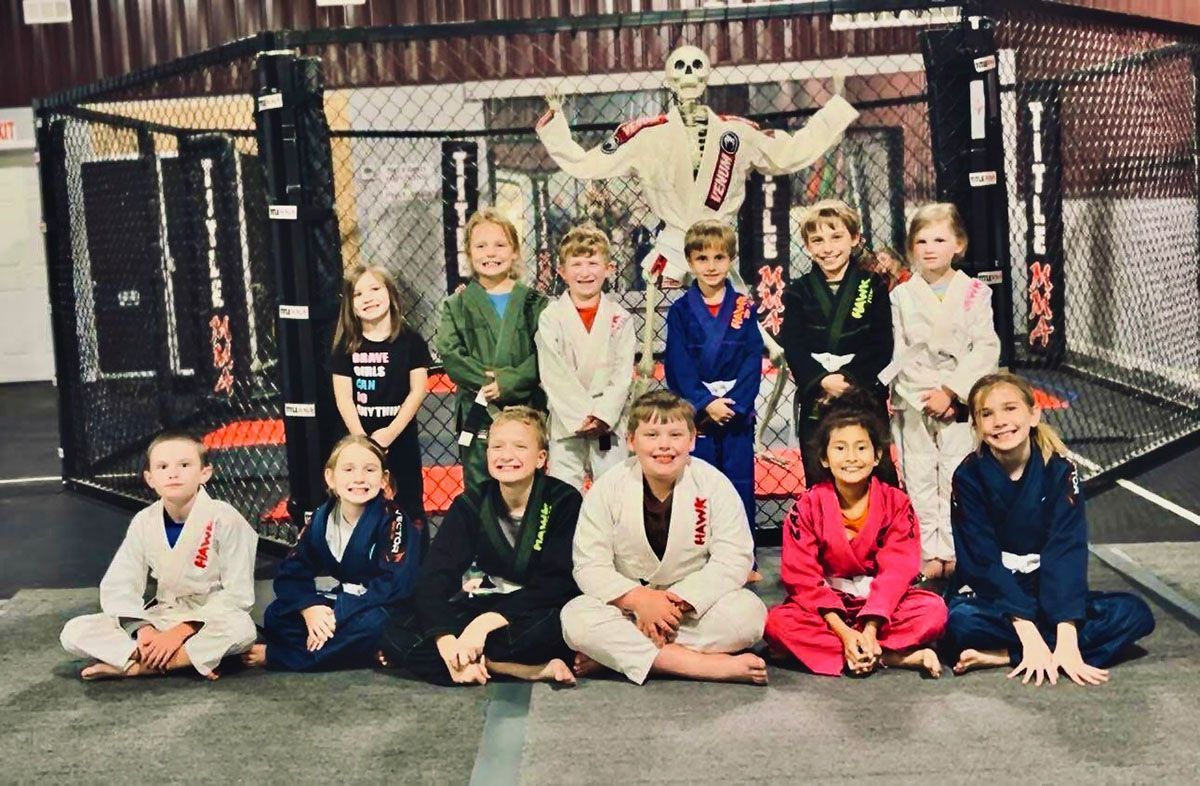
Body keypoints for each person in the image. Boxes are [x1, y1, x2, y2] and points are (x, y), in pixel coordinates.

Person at [944, 372, 1156, 686]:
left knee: (1134, 614)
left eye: (1010, 408)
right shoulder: (968, 476)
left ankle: (1006, 654)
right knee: (958, 623)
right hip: (995, 590)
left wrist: (1067, 634)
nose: (1000, 422)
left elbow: (1065, 550)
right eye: (986, 414)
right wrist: (1027, 630)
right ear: (975, 426)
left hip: (1046, 587)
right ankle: (1035, 647)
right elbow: (981, 560)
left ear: (1034, 414)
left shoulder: (1060, 470)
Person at [560, 391, 768, 686]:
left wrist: (677, 601)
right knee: (576, 618)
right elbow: (589, 566)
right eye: (652, 435)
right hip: (629, 607)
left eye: (675, 435)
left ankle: (619, 656)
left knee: (749, 616)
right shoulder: (608, 488)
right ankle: (701, 665)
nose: (664, 445)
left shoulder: (713, 484)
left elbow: (734, 558)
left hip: (689, 609)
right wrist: (640, 600)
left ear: (692, 440)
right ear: (631, 441)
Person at [378, 407, 582, 686]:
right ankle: (511, 668)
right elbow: (435, 576)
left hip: (534, 610)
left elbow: (557, 584)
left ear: (541, 458)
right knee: (394, 633)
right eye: (497, 446)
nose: (506, 455)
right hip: (487, 601)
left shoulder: (563, 500)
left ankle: (474, 664)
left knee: (556, 630)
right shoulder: (471, 503)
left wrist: (483, 625)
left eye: (520, 446)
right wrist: (446, 642)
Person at [764, 394, 946, 677]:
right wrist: (846, 633)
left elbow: (897, 571)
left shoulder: (896, 503)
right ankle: (891, 656)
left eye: (861, 448)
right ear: (824, 458)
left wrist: (870, 629)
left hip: (882, 605)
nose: (851, 457)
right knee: (777, 623)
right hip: (827, 606)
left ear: (878, 456)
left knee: (933, 611)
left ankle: (859, 650)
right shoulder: (807, 506)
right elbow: (802, 577)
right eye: (840, 448)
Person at [60, 431, 257, 680]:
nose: (173, 474)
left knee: (242, 629)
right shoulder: (145, 521)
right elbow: (120, 585)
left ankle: (136, 666)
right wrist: (144, 630)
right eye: (163, 467)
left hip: (208, 618)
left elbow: (239, 595)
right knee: (74, 630)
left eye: (184, 465)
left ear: (205, 473)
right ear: (150, 478)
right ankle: (180, 658)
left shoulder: (225, 518)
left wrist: (180, 632)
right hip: (163, 615)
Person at [882, 204, 1000, 581]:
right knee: (917, 473)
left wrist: (951, 392)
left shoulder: (976, 292)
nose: (930, 248)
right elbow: (898, 352)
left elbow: (985, 347)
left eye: (939, 239)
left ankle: (954, 549)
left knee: (958, 472)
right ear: (910, 248)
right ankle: (927, 552)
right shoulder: (901, 296)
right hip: (916, 399)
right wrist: (925, 395)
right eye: (921, 241)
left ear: (959, 244)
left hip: (958, 399)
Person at [246, 435, 425, 671]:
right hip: (343, 602)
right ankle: (360, 652)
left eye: (370, 470)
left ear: (384, 479)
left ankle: (281, 656)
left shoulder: (394, 520)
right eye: (348, 469)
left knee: (374, 627)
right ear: (330, 477)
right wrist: (310, 607)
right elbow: (291, 573)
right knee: (276, 615)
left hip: (383, 607)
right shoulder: (321, 519)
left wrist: (337, 613)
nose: (359, 478)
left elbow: (394, 587)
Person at [780, 199, 893, 486]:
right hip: (819, 394)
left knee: (874, 471)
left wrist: (847, 378)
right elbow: (793, 344)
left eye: (836, 237)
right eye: (817, 240)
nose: (827, 248)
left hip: (862, 391)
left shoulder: (873, 285)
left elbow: (881, 344)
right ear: (807, 246)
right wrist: (822, 380)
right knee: (820, 471)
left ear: (854, 238)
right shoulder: (798, 291)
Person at [664, 219, 764, 540]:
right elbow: (677, 364)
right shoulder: (680, 311)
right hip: (699, 413)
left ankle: (741, 553)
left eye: (719, 257)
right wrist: (705, 403)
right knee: (698, 481)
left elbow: (752, 359)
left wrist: (735, 404)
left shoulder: (743, 308)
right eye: (702, 258)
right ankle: (698, 550)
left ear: (730, 259)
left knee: (739, 482)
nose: (710, 266)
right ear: (690, 261)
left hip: (735, 409)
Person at [438, 207, 549, 491]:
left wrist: (508, 382)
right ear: (469, 253)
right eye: (481, 246)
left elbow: (545, 354)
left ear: (514, 251)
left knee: (530, 488)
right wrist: (491, 384)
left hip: (527, 409)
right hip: (478, 411)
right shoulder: (456, 306)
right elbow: (451, 355)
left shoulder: (535, 304)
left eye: (500, 245)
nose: (490, 253)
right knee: (481, 492)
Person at [536, 224, 636, 490]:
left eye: (593, 263)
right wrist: (581, 415)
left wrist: (603, 415)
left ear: (609, 268)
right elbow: (552, 373)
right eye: (576, 264)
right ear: (562, 271)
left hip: (608, 421)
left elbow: (622, 376)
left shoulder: (620, 318)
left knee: (613, 489)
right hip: (566, 419)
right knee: (564, 490)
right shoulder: (551, 317)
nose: (585, 272)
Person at [329, 263, 431, 523]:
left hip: (399, 438)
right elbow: (343, 397)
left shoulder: (411, 341)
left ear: (391, 294)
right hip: (357, 437)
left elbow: (418, 391)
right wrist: (361, 439)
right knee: (358, 501)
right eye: (358, 294)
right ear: (350, 304)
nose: (368, 298)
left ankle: (411, 548)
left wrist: (390, 433)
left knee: (408, 504)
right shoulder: (346, 345)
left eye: (374, 289)